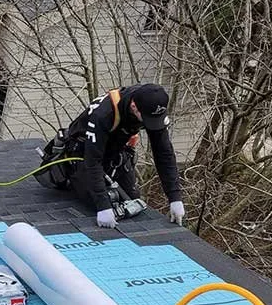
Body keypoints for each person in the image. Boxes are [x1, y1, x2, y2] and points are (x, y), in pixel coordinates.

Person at [38, 83, 185, 228]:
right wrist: (103, 206)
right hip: (83, 154)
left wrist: (175, 197)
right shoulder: (104, 114)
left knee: (132, 200)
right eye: (146, 119)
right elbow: (93, 159)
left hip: (115, 151)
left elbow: (164, 153)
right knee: (100, 202)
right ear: (134, 106)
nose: (151, 124)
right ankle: (76, 181)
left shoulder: (152, 105)